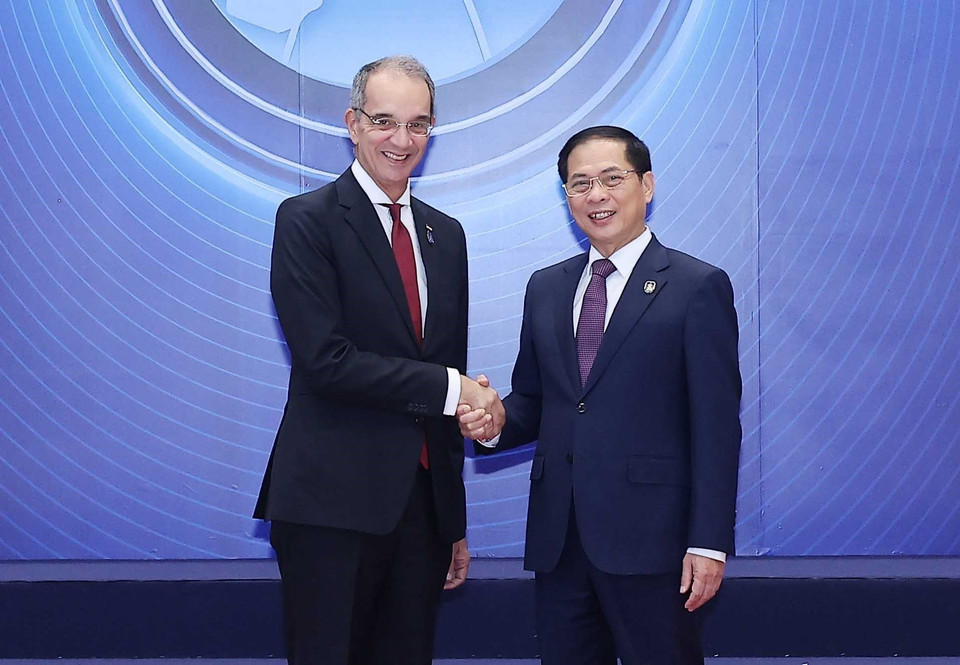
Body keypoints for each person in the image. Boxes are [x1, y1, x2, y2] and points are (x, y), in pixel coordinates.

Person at [460, 126, 742, 664]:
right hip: (560, 542)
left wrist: (708, 542)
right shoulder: (546, 287)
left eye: (613, 179)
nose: (596, 195)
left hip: (655, 545)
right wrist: (492, 421)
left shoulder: (697, 286)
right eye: (580, 183)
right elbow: (536, 401)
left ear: (647, 186)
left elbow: (717, 427)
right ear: (566, 196)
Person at [254, 55, 501, 665]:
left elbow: (445, 368)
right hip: (330, 507)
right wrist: (455, 389)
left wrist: (451, 521)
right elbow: (326, 361)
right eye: (384, 121)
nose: (402, 139)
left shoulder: (447, 235)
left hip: (421, 513)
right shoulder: (306, 220)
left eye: (418, 124)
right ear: (353, 124)